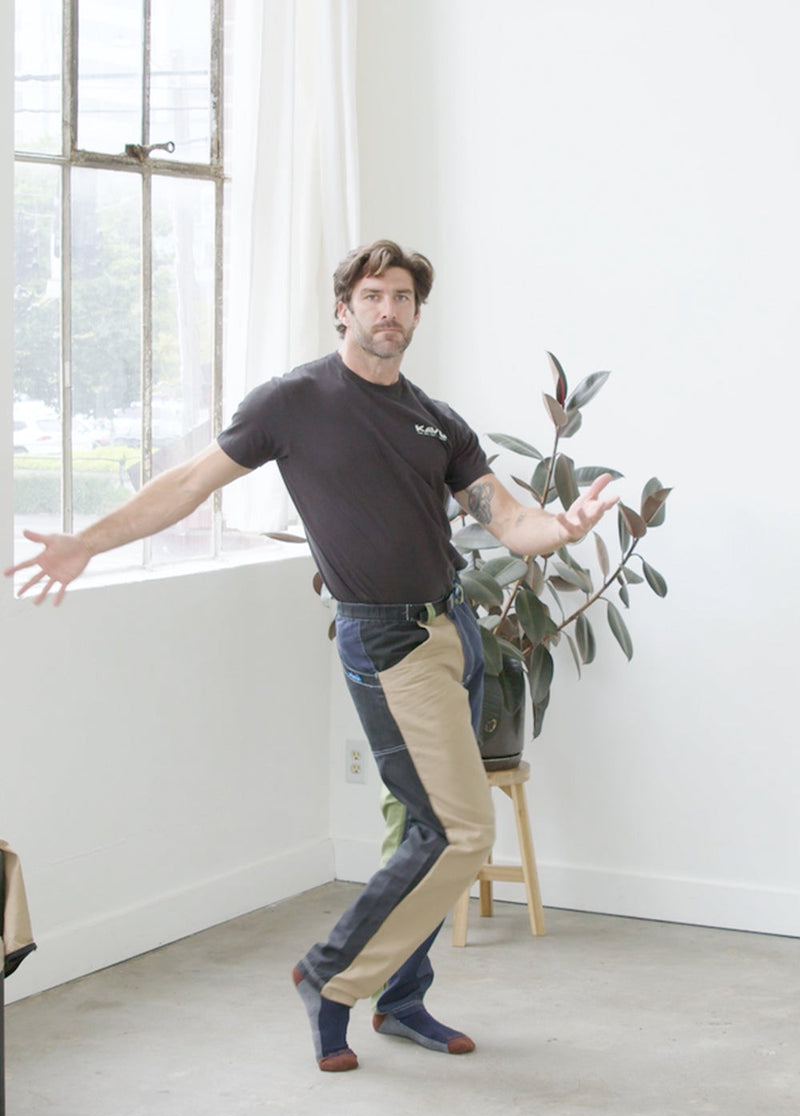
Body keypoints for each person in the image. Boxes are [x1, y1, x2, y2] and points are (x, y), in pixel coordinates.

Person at [5, 239, 617, 1072]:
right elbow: (189, 482)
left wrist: (565, 526)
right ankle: (329, 973)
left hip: (453, 631)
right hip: (389, 640)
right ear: (343, 308)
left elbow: (510, 522)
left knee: (424, 828)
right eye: (373, 295)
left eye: (402, 298)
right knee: (460, 830)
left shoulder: (436, 419)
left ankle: (400, 999)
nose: (388, 310)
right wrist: (88, 542)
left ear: (416, 314)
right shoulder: (294, 401)